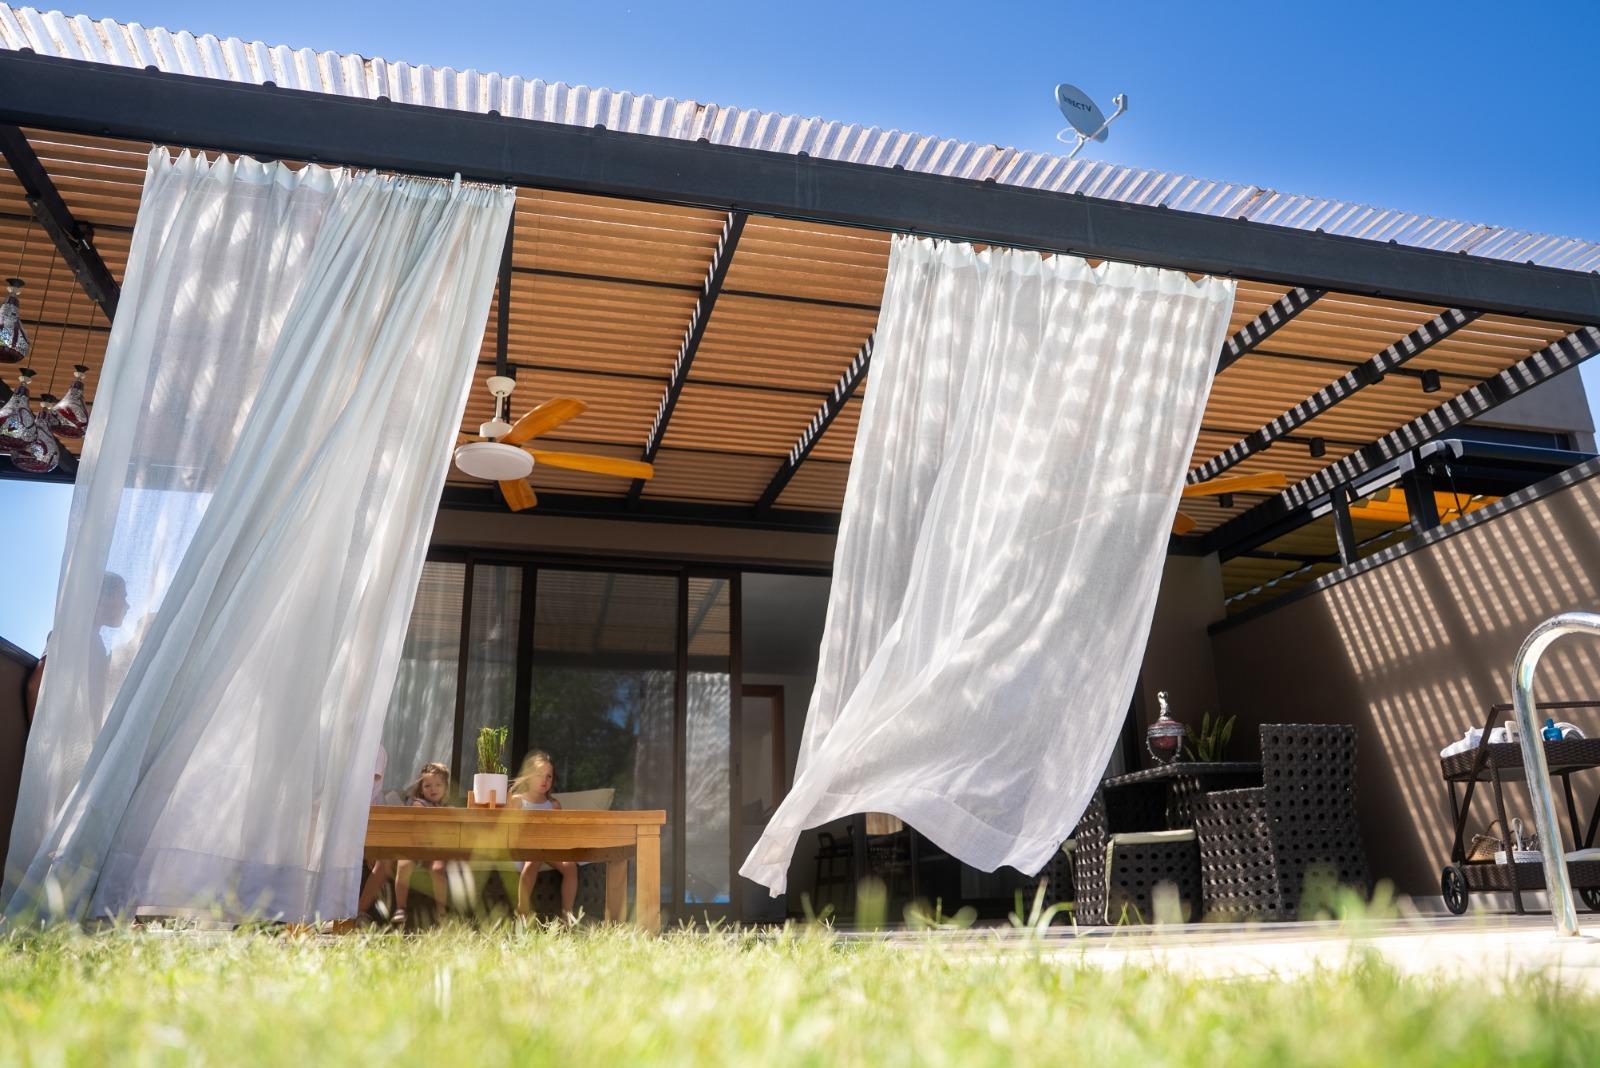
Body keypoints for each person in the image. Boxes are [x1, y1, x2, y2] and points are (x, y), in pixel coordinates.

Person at [512, 750, 577, 919]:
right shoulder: (518, 801)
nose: (544, 780)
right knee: (534, 858)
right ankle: (522, 910)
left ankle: (567, 916)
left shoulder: (553, 805)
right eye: (539, 775)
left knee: (570, 866)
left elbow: (558, 832)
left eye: (549, 776)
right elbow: (507, 830)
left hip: (547, 848)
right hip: (522, 848)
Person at [392, 762, 451, 927]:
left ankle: (441, 911)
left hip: (433, 851)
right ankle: (400, 908)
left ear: (445, 787)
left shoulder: (443, 807)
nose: (433, 789)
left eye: (438, 785)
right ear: (421, 789)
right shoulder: (419, 803)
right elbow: (419, 814)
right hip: (414, 849)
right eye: (428, 786)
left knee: (438, 869)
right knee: (403, 866)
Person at [355, 744, 392, 918]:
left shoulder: (375, 748)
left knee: (384, 861)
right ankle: (357, 912)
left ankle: (359, 912)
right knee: (383, 861)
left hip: (368, 818)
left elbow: (368, 784)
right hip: (359, 819)